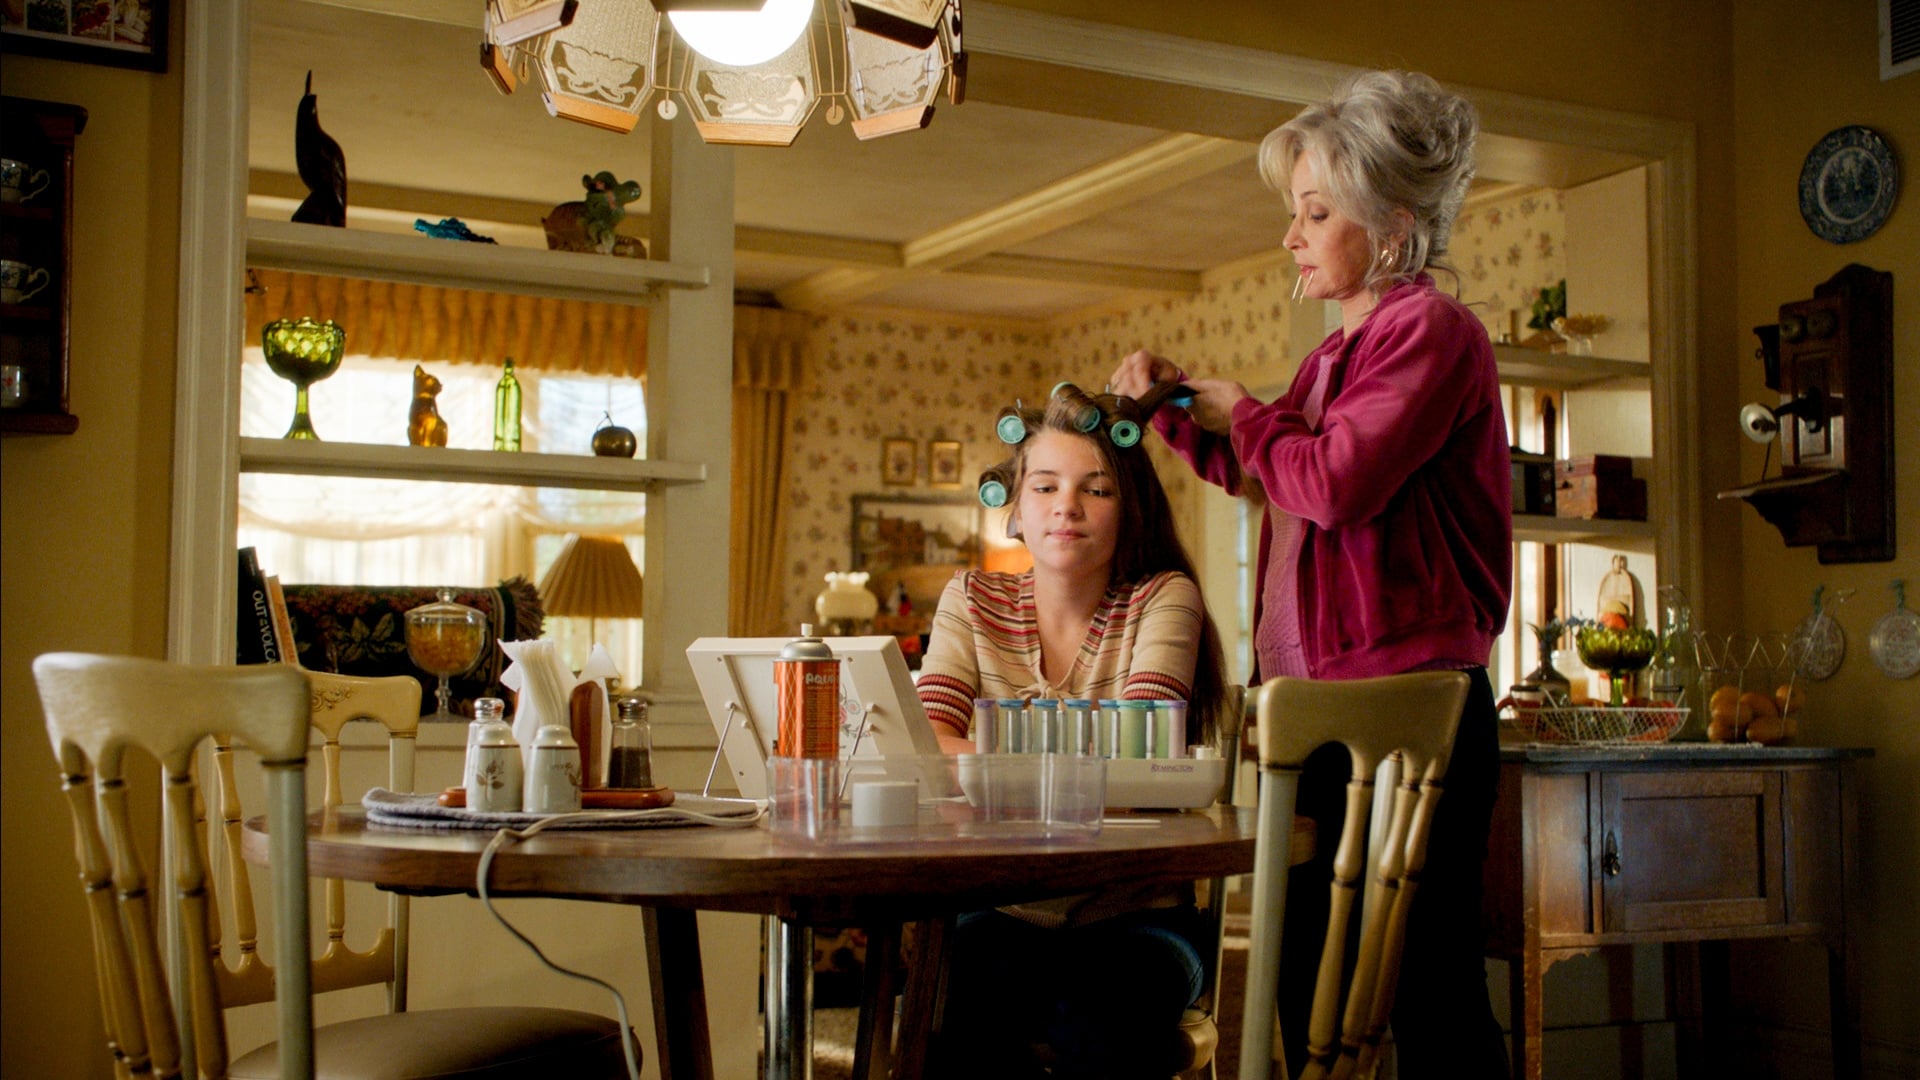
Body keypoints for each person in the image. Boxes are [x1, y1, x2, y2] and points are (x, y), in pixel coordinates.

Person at [1109, 69, 1512, 1077]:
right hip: (1318, 705)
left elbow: (1334, 484)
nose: (1292, 235)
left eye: (1317, 213)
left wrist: (1248, 411)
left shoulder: (1431, 331)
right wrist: (1178, 412)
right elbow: (1275, 477)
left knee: (1426, 988)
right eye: (1295, 212)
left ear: (1394, 227)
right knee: (1306, 982)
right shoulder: (1337, 356)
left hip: (1409, 703)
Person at [916, 382, 1230, 1080]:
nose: (1067, 506)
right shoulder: (970, 599)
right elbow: (927, 744)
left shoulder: (1164, 598)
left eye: (1097, 489)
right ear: (1016, 507)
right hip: (1001, 909)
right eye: (1046, 486)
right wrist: (1081, 771)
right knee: (951, 1019)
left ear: (1130, 508)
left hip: (1140, 916)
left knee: (1098, 1025)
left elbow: (1137, 763)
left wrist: (988, 767)